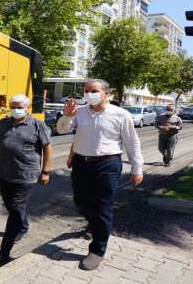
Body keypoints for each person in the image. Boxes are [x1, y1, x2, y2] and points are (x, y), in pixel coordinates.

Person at [56, 79, 144, 270]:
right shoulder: (79, 112)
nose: (88, 94)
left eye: (93, 91)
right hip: (81, 162)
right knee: (80, 201)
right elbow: (62, 130)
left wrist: (137, 168)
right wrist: (67, 116)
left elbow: (132, 142)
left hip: (107, 164)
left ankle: (97, 250)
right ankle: (94, 224)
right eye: (86, 91)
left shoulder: (121, 114)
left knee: (103, 206)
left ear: (107, 93)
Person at [0, 94, 52, 263]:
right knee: (12, 207)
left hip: (26, 176)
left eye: (19, 107)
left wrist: (45, 172)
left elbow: (47, 149)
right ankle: (23, 225)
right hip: (5, 174)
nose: (15, 110)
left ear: (27, 108)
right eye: (13, 106)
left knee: (14, 211)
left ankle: (4, 250)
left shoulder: (37, 125)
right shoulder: (3, 123)